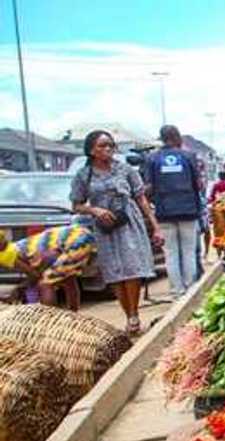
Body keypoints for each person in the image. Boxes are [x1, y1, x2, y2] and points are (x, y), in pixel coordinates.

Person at [71, 130, 161, 335]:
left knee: (132, 269)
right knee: (114, 273)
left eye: (110, 145)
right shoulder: (84, 175)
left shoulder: (125, 169)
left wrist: (155, 227)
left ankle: (134, 315)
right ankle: (128, 313)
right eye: (102, 146)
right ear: (91, 150)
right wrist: (94, 209)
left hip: (129, 223)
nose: (108, 149)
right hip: (105, 228)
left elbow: (141, 199)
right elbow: (76, 205)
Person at [145, 125, 205, 299]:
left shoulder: (152, 158)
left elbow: (148, 186)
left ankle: (176, 292)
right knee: (188, 251)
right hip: (188, 210)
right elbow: (198, 184)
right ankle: (190, 290)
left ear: (162, 138)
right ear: (178, 136)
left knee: (170, 253)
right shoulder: (189, 156)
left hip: (164, 211)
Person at [0, 225, 96, 310]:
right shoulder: (20, 245)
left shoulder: (7, 256)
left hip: (76, 242)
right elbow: (48, 259)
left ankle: (49, 320)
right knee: (68, 278)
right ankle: (74, 313)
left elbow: (34, 275)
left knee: (45, 283)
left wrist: (19, 288)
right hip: (80, 233)